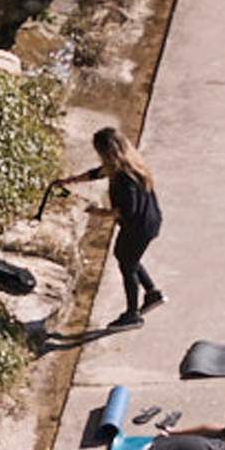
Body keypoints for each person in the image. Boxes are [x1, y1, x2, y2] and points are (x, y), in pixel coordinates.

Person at [60, 125, 165, 330]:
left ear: (106, 152)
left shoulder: (124, 179)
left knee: (127, 265)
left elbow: (127, 210)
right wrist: (70, 181)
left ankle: (132, 314)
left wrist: (97, 212)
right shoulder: (130, 164)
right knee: (126, 257)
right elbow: (97, 173)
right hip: (150, 221)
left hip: (138, 226)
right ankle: (152, 293)